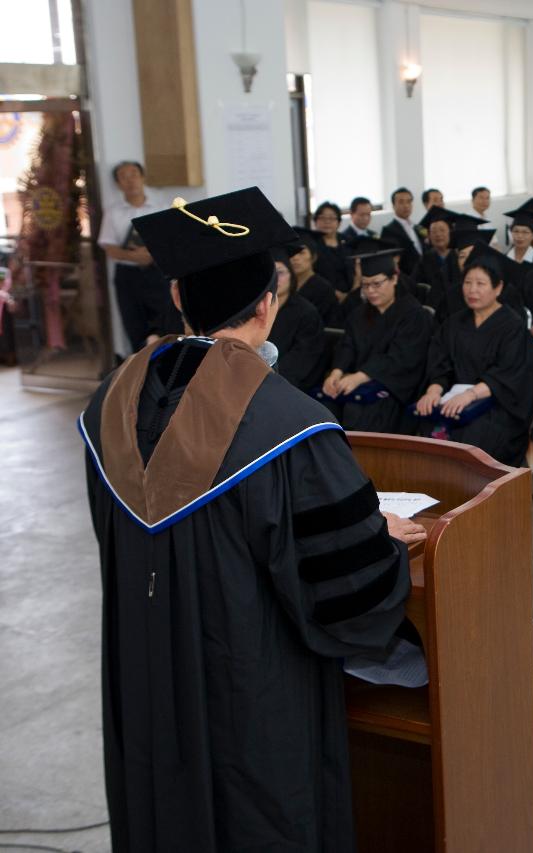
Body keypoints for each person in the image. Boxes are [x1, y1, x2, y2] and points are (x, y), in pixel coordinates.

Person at [84, 186, 425, 850]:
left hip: (146, 678)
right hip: (252, 688)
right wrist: (375, 540)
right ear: (268, 305)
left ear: (178, 299)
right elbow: (345, 597)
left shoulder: (108, 407)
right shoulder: (289, 427)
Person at [414, 256, 533, 467]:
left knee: (474, 431)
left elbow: (509, 374)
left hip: (497, 404)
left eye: (481, 284)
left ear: (498, 288)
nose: (472, 290)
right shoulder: (454, 323)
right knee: (425, 419)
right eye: (468, 283)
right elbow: (440, 363)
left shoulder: (513, 327)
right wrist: (433, 390)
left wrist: (470, 396)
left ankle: (472, 496)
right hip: (452, 399)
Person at [322, 244, 432, 434]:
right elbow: (347, 345)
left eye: (376, 284)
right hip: (354, 385)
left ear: (394, 278)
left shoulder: (414, 315)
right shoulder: (359, 314)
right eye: (365, 285)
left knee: (361, 413)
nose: (371, 291)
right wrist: (336, 373)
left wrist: (360, 377)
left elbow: (401, 358)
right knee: (323, 408)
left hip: (395, 391)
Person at [97, 160, 182, 351]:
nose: (130, 180)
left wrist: (151, 255)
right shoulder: (113, 212)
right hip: (128, 276)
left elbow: (171, 241)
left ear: (142, 177)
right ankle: (139, 372)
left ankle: (165, 369)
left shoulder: (160, 207)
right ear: (118, 184)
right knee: (134, 324)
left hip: (157, 273)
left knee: (165, 322)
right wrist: (133, 257)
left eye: (134, 174)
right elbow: (109, 247)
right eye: (123, 177)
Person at [267, 249, 328, 391]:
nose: (275, 279)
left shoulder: (307, 313)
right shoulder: (258, 310)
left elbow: (302, 357)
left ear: (291, 275)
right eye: (270, 273)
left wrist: (270, 378)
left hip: (290, 385)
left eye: (280, 273)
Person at [288, 228, 342, 326]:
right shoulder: (284, 285)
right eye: (291, 253)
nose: (295, 258)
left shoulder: (324, 289)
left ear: (313, 257)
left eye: (301, 253)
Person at [380, 187, 424, 274]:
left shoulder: (417, 227)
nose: (406, 206)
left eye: (409, 202)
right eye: (401, 202)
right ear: (393, 206)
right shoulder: (388, 231)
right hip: (407, 276)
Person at [311, 201, 352, 292]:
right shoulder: (311, 245)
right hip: (322, 294)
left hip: (350, 295)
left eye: (332, 218)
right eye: (322, 218)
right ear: (315, 221)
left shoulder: (348, 241)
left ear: (339, 222)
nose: (327, 222)